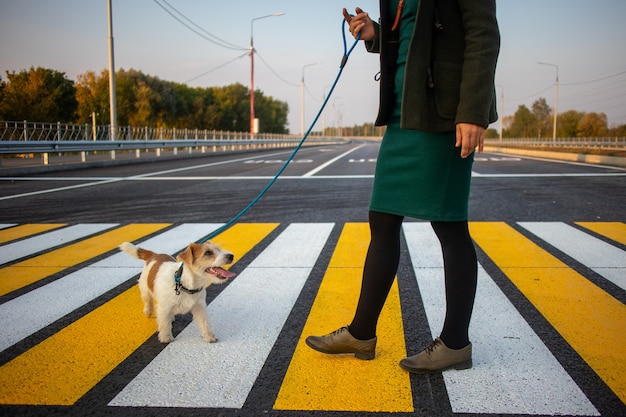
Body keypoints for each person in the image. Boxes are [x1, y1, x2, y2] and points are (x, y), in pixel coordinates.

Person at [306, 0, 500, 373]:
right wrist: (375, 33)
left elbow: (483, 36)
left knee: (449, 223)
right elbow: (412, 32)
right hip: (404, 109)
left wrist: (473, 112)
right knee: (382, 218)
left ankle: (456, 342)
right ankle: (362, 333)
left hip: (444, 111)